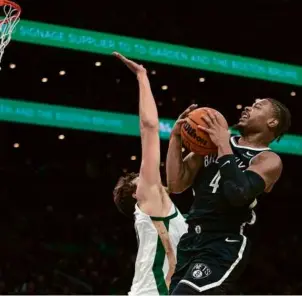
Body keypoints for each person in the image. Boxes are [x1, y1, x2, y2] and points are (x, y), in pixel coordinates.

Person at [166, 98, 291, 294]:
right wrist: (175, 138)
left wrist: (223, 144)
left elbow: (238, 194)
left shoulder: (267, 159)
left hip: (223, 243)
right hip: (190, 240)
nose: (248, 107)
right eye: (250, 104)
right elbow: (176, 183)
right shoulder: (210, 144)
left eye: (258, 107)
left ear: (272, 122)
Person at [112, 52, 188, 296]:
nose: (149, 178)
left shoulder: (166, 211)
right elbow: (149, 128)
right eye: (141, 179)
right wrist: (142, 76)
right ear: (137, 194)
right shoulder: (149, 200)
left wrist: (177, 137)